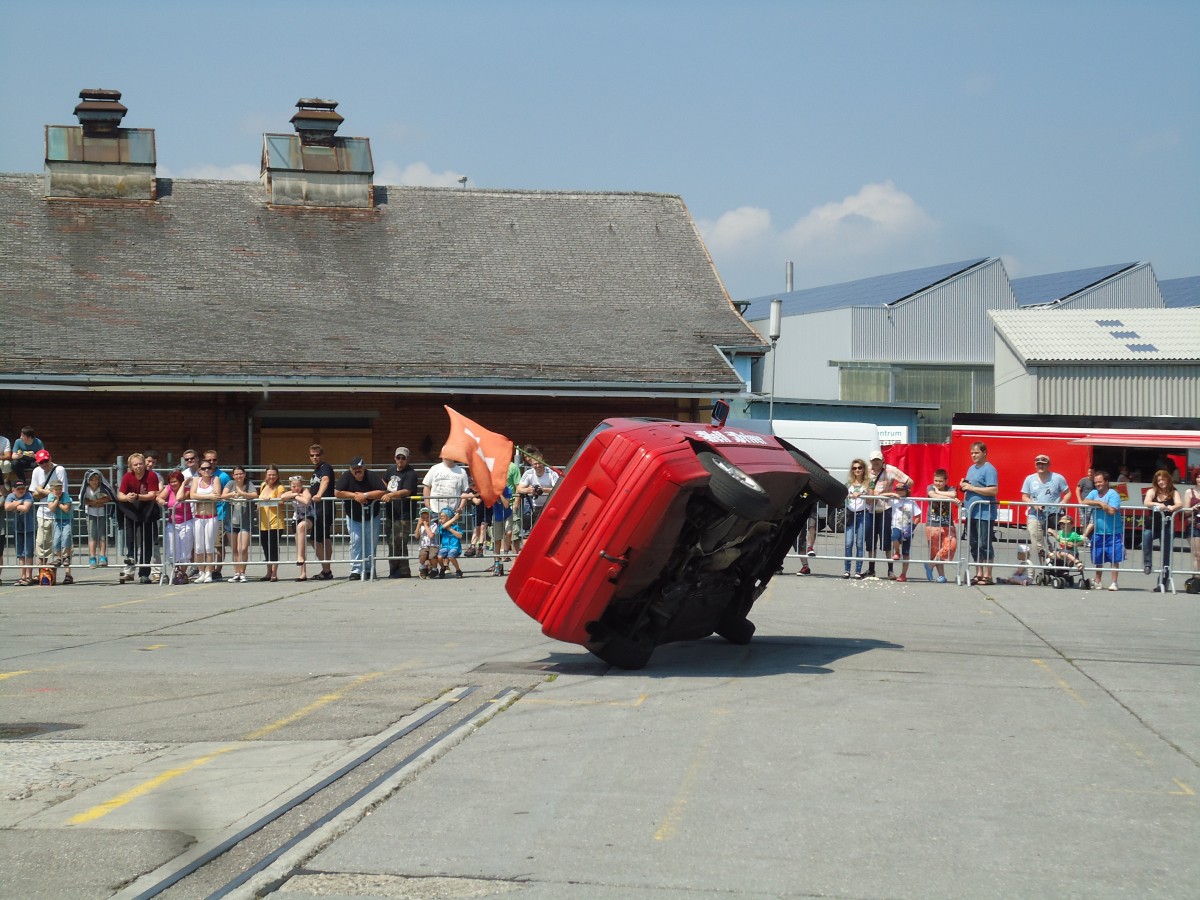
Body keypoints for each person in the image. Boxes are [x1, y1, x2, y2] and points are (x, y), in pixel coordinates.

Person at [335, 456, 387, 580]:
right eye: (354, 468)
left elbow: (383, 491)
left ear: (364, 467)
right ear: (350, 469)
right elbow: (337, 492)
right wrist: (354, 496)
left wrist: (365, 495)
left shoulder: (371, 476)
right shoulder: (346, 476)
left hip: (372, 515)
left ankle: (369, 569)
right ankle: (356, 570)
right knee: (356, 541)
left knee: (371, 542)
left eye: (359, 468)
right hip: (353, 516)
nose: (357, 470)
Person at [865, 450, 912, 578]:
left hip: (886, 508)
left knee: (886, 541)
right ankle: (871, 569)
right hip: (870, 509)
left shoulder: (890, 470)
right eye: (873, 460)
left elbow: (909, 481)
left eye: (878, 460)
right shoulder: (866, 472)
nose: (875, 462)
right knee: (870, 541)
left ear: (882, 461)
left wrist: (900, 491)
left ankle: (890, 570)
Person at [960, 441, 998, 585]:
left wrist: (972, 488)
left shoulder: (989, 469)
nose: (973, 455)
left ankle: (988, 575)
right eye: (972, 453)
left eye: (976, 453)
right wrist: (964, 486)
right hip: (972, 512)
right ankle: (978, 573)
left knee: (984, 544)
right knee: (974, 544)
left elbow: (993, 490)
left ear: (984, 453)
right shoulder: (971, 468)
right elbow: (970, 485)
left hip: (984, 513)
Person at [118, 452, 160, 584]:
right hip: (132, 510)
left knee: (147, 541)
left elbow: (153, 494)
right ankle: (130, 558)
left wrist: (137, 496)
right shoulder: (127, 476)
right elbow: (120, 494)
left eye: (140, 464)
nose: (138, 466)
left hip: (147, 510)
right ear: (130, 466)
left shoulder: (151, 475)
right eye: (135, 464)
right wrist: (127, 498)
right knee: (130, 537)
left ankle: (144, 573)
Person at [1021, 454, 1070, 566]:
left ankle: (1058, 563)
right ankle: (1044, 565)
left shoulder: (1057, 478)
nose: (1040, 466)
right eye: (1038, 464)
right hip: (1035, 515)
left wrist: (1063, 502)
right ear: (1035, 465)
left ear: (1048, 465)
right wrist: (1034, 505)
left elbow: (1068, 493)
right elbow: (1024, 496)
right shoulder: (1029, 479)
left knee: (1055, 541)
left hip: (1054, 515)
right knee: (1036, 540)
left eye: (1043, 464)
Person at [1141, 469, 1182, 592]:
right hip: (1153, 525)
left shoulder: (1173, 492)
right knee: (1146, 535)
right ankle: (1147, 564)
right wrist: (1157, 504)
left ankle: (1163, 582)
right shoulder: (1152, 491)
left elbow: (1180, 504)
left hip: (1167, 526)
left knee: (1166, 555)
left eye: (1163, 479)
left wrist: (1172, 507)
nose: (1161, 482)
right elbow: (1146, 502)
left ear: (1168, 479)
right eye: (1158, 480)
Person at [382, 447, 419, 578]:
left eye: (403, 458)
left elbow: (406, 491)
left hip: (404, 514)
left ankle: (395, 569)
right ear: (394, 458)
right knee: (391, 542)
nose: (400, 460)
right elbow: (384, 482)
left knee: (398, 542)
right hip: (391, 513)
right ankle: (403, 570)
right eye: (398, 457)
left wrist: (391, 495)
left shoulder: (411, 473)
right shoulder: (390, 470)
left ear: (408, 459)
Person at [1083, 470, 1124, 591]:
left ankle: (1114, 582)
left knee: (1114, 558)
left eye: (1100, 482)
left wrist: (1104, 506)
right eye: (1096, 482)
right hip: (1098, 532)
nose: (1098, 484)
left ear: (1106, 482)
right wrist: (1100, 503)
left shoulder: (1113, 494)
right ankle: (1098, 581)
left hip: (1113, 532)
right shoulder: (1094, 492)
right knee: (1098, 558)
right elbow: (1085, 501)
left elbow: (1112, 511)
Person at [187, 459, 222, 582]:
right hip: (198, 517)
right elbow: (192, 495)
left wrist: (204, 497)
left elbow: (217, 495)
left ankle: (209, 572)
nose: (206, 470)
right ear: (199, 470)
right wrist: (208, 496)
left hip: (211, 516)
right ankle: (201, 571)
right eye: (203, 468)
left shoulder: (215, 479)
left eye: (208, 468)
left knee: (209, 546)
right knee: (198, 547)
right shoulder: (196, 480)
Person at [158, 470, 194, 584]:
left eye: (176, 482)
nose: (173, 484)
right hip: (172, 523)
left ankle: (182, 573)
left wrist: (184, 484)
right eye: (171, 482)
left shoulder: (187, 490)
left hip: (186, 522)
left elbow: (179, 498)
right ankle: (176, 570)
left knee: (185, 550)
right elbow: (159, 498)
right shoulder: (168, 488)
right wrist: (164, 503)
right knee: (172, 550)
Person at [222, 465, 257, 582]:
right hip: (231, 521)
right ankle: (236, 572)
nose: (239, 476)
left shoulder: (249, 484)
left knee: (243, 548)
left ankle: (242, 572)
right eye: (236, 474)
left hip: (245, 522)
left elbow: (254, 495)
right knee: (235, 549)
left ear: (244, 474)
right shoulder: (231, 484)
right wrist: (232, 494)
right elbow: (223, 495)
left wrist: (243, 494)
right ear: (233, 475)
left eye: (241, 473)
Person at [201, 450, 232, 580]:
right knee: (205, 544)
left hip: (220, 514)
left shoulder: (223, 476)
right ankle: (208, 569)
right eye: (209, 460)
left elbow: (227, 492)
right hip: (204, 515)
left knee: (218, 544)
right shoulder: (201, 475)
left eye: (214, 460)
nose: (212, 463)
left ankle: (217, 570)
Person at [308, 444, 336, 580]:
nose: (314, 457)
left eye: (317, 455)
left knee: (315, 539)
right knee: (324, 539)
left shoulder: (325, 467)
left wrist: (319, 495)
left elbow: (325, 481)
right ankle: (326, 570)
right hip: (316, 509)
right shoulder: (316, 471)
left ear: (322, 455)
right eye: (312, 455)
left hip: (324, 508)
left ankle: (326, 570)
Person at [516, 446, 559, 533]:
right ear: (532, 464)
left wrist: (544, 490)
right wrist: (528, 490)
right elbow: (519, 489)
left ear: (543, 462)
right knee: (531, 532)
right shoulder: (528, 473)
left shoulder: (551, 473)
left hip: (549, 507)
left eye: (539, 463)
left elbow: (558, 489)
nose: (537, 466)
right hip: (535, 508)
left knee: (549, 531)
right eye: (535, 464)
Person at [925, 468, 957, 584]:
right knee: (935, 550)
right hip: (932, 524)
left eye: (940, 481)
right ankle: (941, 575)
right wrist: (948, 498)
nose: (937, 483)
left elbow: (954, 494)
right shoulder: (930, 487)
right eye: (936, 481)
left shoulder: (951, 488)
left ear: (946, 481)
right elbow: (932, 495)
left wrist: (939, 492)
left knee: (951, 546)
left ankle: (930, 564)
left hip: (947, 523)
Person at [257, 465, 288, 582]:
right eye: (269, 474)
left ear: (277, 475)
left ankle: (274, 573)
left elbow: (281, 502)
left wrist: (270, 500)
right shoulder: (263, 485)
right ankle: (268, 572)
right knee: (265, 548)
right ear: (266, 475)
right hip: (263, 522)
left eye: (274, 474)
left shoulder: (279, 487)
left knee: (273, 548)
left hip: (275, 522)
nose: (271, 477)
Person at [886, 481, 920, 582]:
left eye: (902, 490)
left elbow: (918, 516)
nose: (900, 492)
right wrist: (892, 494)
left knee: (906, 552)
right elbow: (880, 495)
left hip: (907, 527)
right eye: (898, 490)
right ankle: (897, 551)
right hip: (896, 525)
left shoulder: (911, 501)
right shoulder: (894, 500)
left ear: (906, 491)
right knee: (895, 537)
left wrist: (913, 526)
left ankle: (903, 574)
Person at [80, 469, 115, 568]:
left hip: (102, 513)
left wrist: (97, 501)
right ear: (88, 481)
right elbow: (82, 499)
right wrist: (93, 503)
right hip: (90, 513)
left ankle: (103, 556)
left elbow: (109, 497)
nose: (94, 482)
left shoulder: (103, 487)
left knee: (102, 535)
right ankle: (92, 557)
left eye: (96, 479)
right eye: (92, 480)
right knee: (92, 535)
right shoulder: (86, 489)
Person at [5, 479, 37, 585]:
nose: (21, 490)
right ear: (13, 490)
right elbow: (7, 507)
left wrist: (15, 504)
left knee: (28, 553)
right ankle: (22, 576)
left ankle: (29, 576)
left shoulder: (28, 495)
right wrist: (19, 502)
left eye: (23, 488)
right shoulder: (10, 496)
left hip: (29, 528)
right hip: (17, 528)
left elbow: (26, 508)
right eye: (18, 489)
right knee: (20, 554)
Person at [842, 458, 870, 579]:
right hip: (850, 514)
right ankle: (847, 570)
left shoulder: (869, 483)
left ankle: (858, 571)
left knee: (859, 543)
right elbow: (842, 495)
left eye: (859, 468)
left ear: (864, 469)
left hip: (863, 514)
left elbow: (872, 499)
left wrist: (863, 494)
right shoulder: (848, 484)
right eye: (854, 468)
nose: (857, 470)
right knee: (848, 543)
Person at [44, 479, 74, 584]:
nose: (58, 491)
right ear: (52, 489)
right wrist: (56, 500)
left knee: (66, 537)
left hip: (67, 520)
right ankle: (59, 557)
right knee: (56, 539)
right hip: (57, 520)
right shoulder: (51, 496)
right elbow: (51, 508)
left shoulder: (65, 495)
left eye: (60, 488)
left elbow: (66, 509)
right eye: (56, 489)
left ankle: (66, 557)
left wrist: (58, 503)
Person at [287, 475, 314, 581]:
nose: (296, 488)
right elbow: (282, 497)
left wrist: (296, 496)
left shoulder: (305, 491)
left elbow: (307, 501)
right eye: (293, 486)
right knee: (300, 546)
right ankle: (303, 573)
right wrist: (293, 494)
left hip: (309, 517)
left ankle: (300, 557)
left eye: (298, 486)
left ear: (301, 485)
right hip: (296, 518)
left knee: (301, 526)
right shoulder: (291, 492)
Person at [488, 484, 514, 576]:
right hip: (497, 517)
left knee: (509, 532)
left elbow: (506, 505)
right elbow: (489, 503)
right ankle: (497, 562)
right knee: (497, 540)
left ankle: (506, 552)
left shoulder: (507, 489)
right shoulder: (491, 489)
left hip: (507, 515)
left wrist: (500, 494)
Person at [436, 507, 464, 578]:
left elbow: (460, 536)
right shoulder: (442, 527)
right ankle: (443, 568)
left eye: (442, 517)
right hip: (445, 547)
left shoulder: (455, 527)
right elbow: (444, 526)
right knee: (439, 557)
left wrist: (451, 529)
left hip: (454, 547)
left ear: (448, 518)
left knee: (451, 556)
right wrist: (454, 518)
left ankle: (458, 570)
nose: (440, 519)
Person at [414, 507, 439, 578]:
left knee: (432, 556)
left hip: (433, 544)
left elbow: (431, 536)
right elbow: (416, 536)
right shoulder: (420, 526)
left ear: (430, 517)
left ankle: (434, 569)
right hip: (423, 545)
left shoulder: (434, 525)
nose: (425, 519)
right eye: (423, 517)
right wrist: (418, 525)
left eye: (427, 517)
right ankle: (423, 568)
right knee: (422, 555)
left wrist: (426, 525)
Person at [1184, 469, 1200, 575]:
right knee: (1197, 554)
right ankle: (1196, 580)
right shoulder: (1190, 492)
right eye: (1198, 476)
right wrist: (1193, 507)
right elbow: (1185, 511)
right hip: (1195, 526)